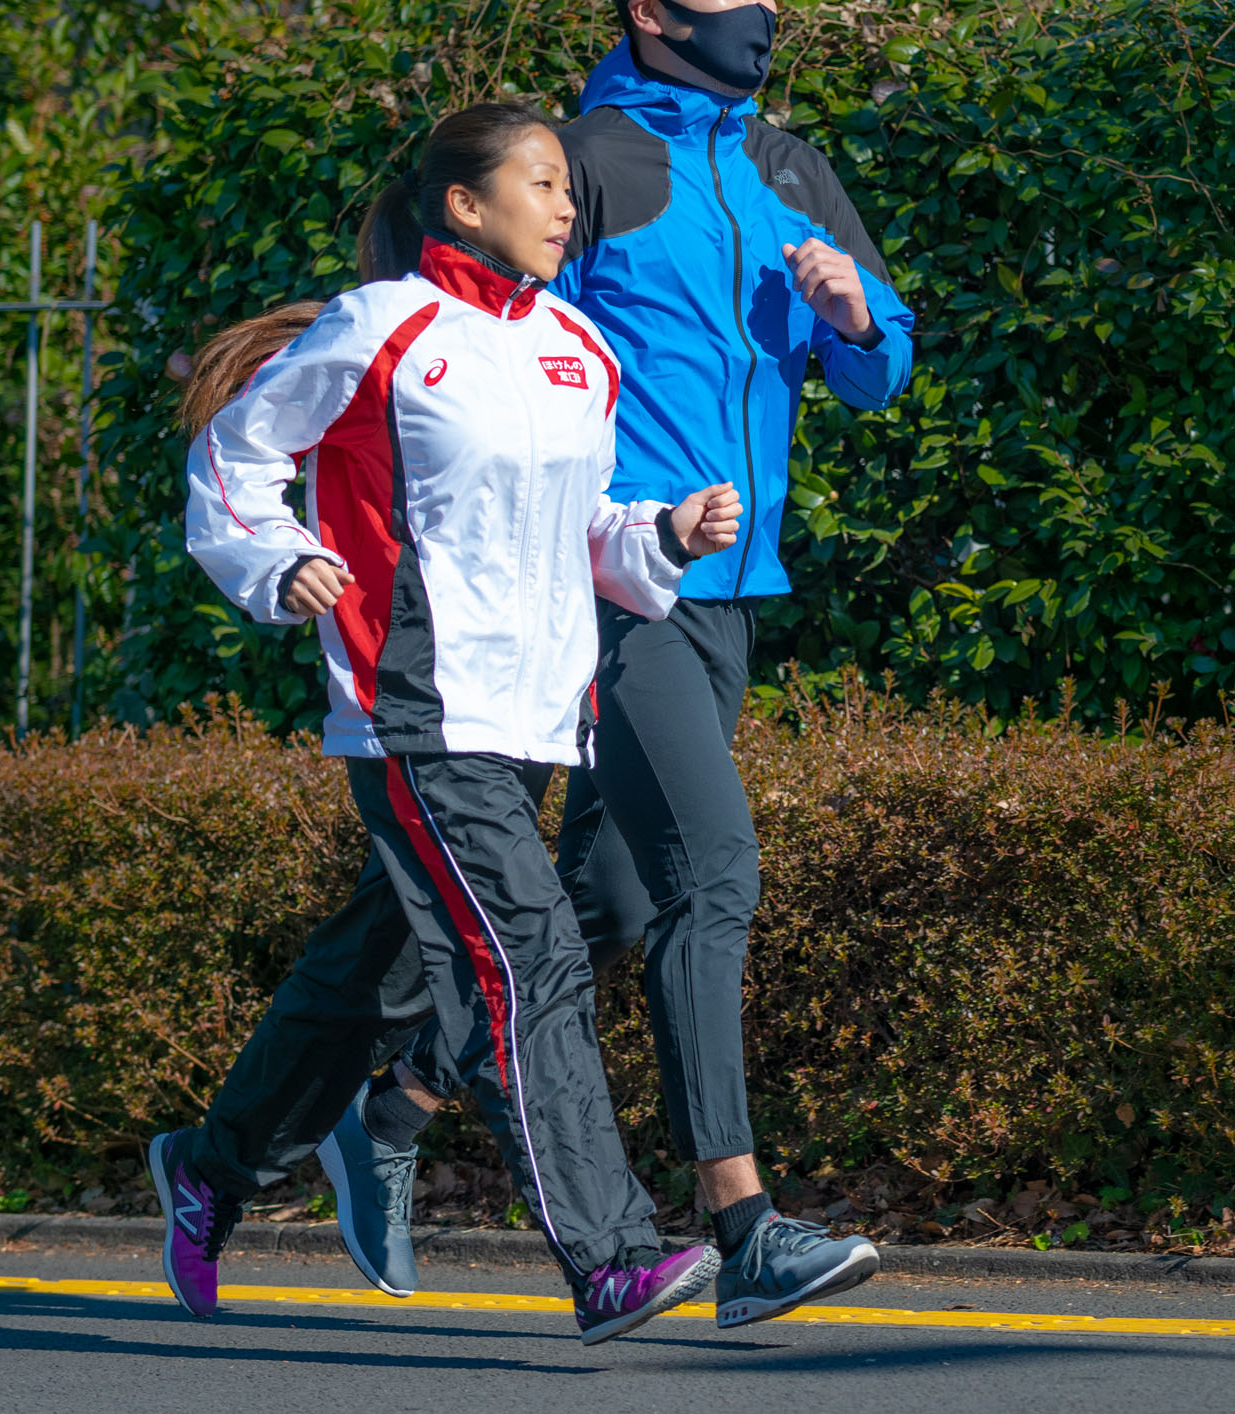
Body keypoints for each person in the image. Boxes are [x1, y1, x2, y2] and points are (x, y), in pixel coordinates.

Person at [317, 0, 916, 1331]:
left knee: (608, 904)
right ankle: (743, 1225)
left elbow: (880, 367)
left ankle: (393, 1103)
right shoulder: (577, 162)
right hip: (616, 586)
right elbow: (494, 361)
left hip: (732, 588)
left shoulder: (782, 165)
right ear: (651, 11)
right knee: (714, 869)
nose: (757, 10)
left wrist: (854, 314)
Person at [150, 101, 746, 1346]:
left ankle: (217, 1164)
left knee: (377, 964)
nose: (567, 202)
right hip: (418, 707)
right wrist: (278, 557)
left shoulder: (579, 349)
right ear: (466, 205)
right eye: (542, 182)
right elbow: (232, 460)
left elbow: (577, 534)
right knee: (524, 962)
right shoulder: (381, 326)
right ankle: (614, 1255)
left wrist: (660, 536)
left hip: (533, 716)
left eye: (568, 186)